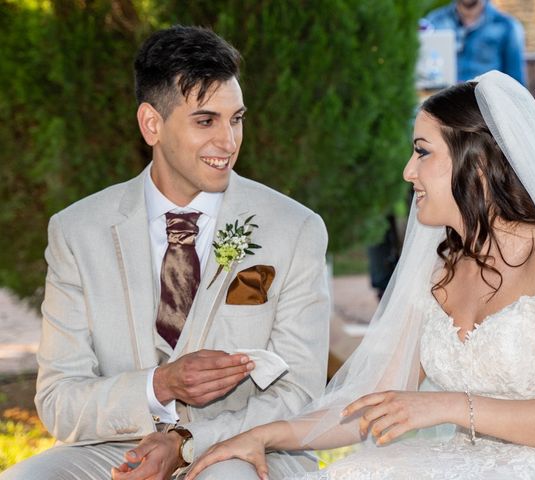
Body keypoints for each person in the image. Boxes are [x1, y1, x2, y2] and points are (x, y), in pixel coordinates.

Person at [183, 71, 535, 480]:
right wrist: (265, 435)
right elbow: (373, 399)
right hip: (474, 462)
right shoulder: (440, 271)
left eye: (423, 153)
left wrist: (446, 405)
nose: (408, 172)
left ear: (476, 165)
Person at [0, 26, 330, 480]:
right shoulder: (77, 232)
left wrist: (187, 443)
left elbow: (300, 390)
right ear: (151, 124)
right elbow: (59, 401)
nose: (229, 142)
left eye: (236, 119)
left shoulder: (295, 229)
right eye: (206, 120)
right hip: (115, 448)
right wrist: (159, 386)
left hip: (247, 446)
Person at [421, 0, 527, 85]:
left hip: (484, 107)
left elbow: (515, 85)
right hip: (444, 105)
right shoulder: (434, 22)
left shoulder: (507, 27)